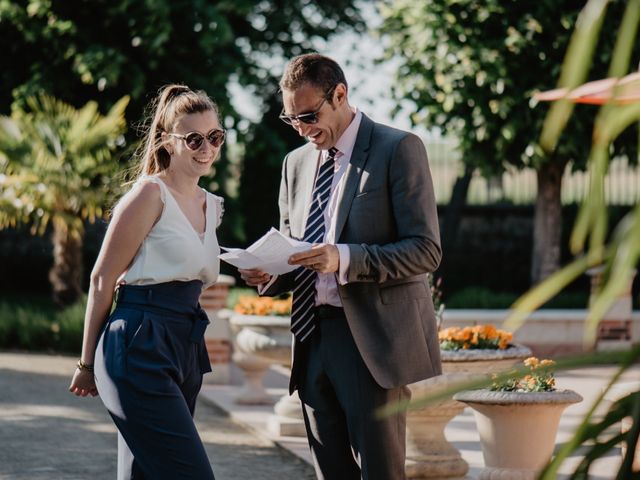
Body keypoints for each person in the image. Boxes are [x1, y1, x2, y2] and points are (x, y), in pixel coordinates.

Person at [240, 53, 442, 479]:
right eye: (291, 119)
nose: (302, 129)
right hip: (310, 338)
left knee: (380, 472)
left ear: (340, 95)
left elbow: (425, 250)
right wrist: (267, 273)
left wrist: (344, 257)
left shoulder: (398, 149)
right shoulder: (294, 164)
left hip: (370, 342)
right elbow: (292, 251)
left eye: (309, 115)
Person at [69, 84, 225, 479]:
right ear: (167, 142)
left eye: (214, 136)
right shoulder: (149, 194)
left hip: (185, 344)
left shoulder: (212, 204)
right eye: (193, 139)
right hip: (139, 342)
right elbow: (102, 279)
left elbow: (193, 271)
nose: (205, 147)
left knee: (145, 473)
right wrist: (86, 363)